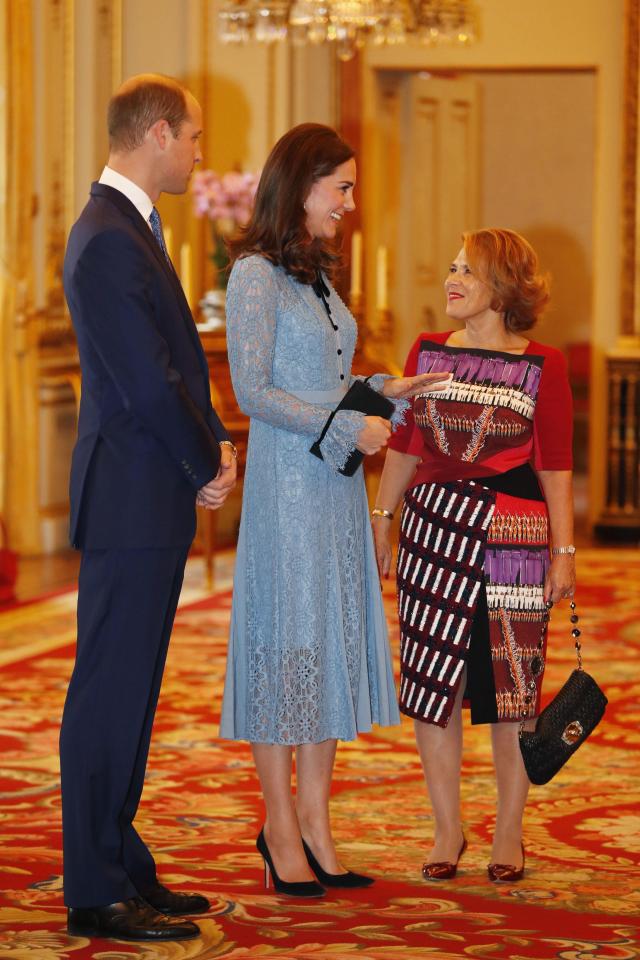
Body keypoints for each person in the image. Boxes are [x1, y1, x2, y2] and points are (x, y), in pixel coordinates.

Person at [219, 123, 450, 897]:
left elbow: (321, 378)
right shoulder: (255, 275)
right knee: (287, 651)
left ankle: (317, 824)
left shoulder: (315, 275)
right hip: (288, 493)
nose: (351, 203)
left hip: (334, 487)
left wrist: (385, 388)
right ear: (302, 185)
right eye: (341, 187)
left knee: (319, 650)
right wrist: (355, 422)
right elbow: (254, 393)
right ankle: (278, 825)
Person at [59, 74, 236, 942]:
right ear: (159, 134)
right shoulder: (106, 238)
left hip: (146, 496)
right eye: (195, 136)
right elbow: (145, 384)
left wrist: (212, 448)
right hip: (131, 497)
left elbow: (174, 369)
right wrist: (205, 459)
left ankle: (121, 860)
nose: (202, 153)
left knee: (132, 692)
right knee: (107, 692)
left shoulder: (130, 229)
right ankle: (93, 888)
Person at [372, 228, 574, 883]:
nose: (452, 279)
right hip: (432, 532)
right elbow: (403, 445)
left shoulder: (545, 363)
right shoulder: (428, 351)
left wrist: (564, 552)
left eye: (469, 271)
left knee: (511, 691)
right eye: (453, 266)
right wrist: (382, 517)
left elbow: (557, 468)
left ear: (504, 288)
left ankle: (509, 830)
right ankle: (446, 827)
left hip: (515, 537)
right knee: (435, 683)